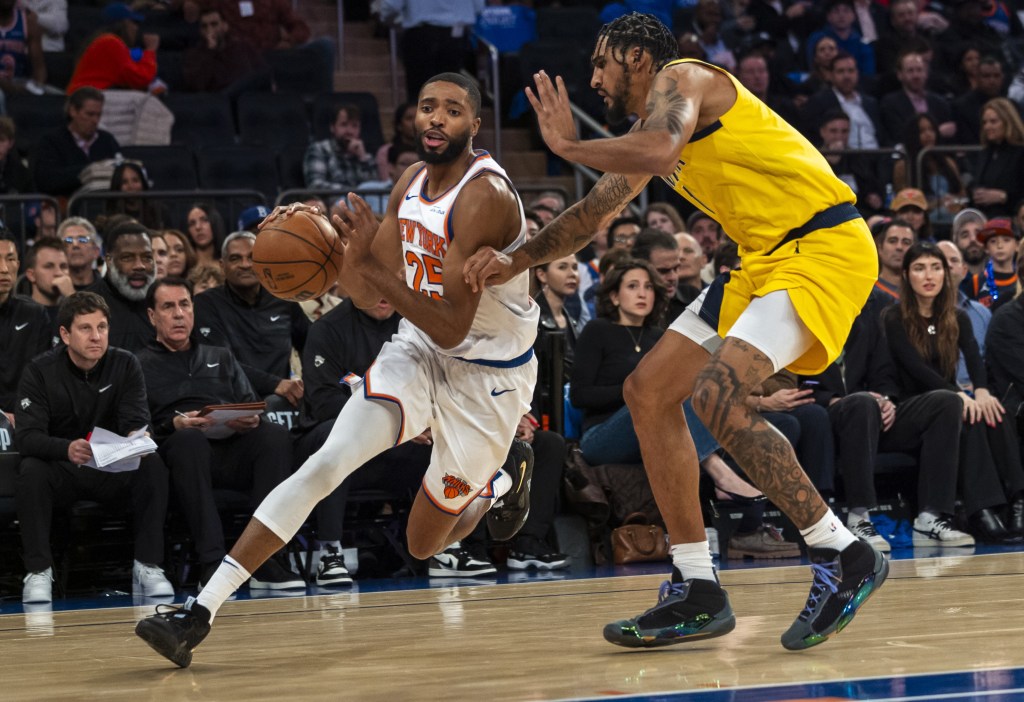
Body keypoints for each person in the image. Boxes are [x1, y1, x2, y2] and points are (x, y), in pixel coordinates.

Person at [463, 12, 888, 651]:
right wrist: (515, 259)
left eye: (602, 63)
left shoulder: (686, 78)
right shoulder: (644, 132)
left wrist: (572, 147)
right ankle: (697, 584)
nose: (594, 77)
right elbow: (589, 215)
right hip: (761, 261)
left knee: (718, 395)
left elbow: (663, 149)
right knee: (648, 391)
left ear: (637, 57)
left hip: (823, 246)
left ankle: (842, 550)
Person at [136, 73, 538, 667]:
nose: (436, 118)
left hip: (488, 374)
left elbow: (454, 323)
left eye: (452, 110)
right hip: (420, 349)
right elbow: (363, 284)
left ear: (474, 125)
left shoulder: (485, 198)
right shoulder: (411, 182)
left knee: (423, 543)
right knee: (326, 461)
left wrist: (373, 275)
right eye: (427, 107)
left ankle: (500, 481)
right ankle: (200, 612)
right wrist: (326, 250)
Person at [138, 277, 300, 590]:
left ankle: (265, 561)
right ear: (152, 316)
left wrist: (246, 419)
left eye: (184, 305)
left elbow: (251, 403)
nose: (178, 314)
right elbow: (138, 430)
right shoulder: (138, 364)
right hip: (180, 459)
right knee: (189, 439)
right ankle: (212, 563)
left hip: (230, 448)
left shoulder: (220, 356)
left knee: (274, 435)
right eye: (168, 307)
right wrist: (174, 424)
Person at [15, 291, 173, 603]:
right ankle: (38, 571)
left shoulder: (125, 364)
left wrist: (134, 439)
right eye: (85, 328)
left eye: (102, 327)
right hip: (65, 468)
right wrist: (66, 448)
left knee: (152, 463)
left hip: (111, 467)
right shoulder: (39, 370)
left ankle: (147, 566)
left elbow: (139, 421)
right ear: (64, 334)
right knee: (30, 469)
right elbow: (27, 437)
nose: (96, 336)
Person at [882, 241, 1023, 543]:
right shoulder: (893, 318)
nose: (929, 275)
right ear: (906, 275)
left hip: (947, 408)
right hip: (906, 410)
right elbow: (915, 369)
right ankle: (978, 513)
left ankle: (1003, 507)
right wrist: (958, 393)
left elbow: (974, 357)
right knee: (959, 405)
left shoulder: (956, 317)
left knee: (990, 410)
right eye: (920, 268)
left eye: (936, 267)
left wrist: (982, 392)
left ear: (946, 274)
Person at [193, 231, 307, 408]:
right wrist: (275, 384)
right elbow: (218, 362)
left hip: (284, 402)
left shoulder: (284, 300)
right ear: (222, 266)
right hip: (231, 405)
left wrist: (310, 383)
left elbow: (312, 344)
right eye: (235, 259)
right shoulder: (206, 303)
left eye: (253, 257)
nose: (245, 264)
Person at [571, 258, 667, 466]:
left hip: (653, 426)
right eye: (633, 286)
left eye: (648, 287)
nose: (642, 294)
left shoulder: (661, 337)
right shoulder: (597, 330)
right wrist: (633, 392)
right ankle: (721, 477)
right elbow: (579, 395)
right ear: (614, 296)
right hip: (602, 433)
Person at [0, 231, 50, 425]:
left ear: (18, 265)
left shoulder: (35, 315)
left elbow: (43, 378)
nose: (4, 268)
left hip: (26, 421)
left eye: (10, 259)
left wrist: (21, 414)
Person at [32, 87, 121, 197]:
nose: (95, 121)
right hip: (68, 207)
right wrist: (88, 171)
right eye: (90, 114)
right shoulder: (50, 142)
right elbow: (46, 180)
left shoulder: (107, 140)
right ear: (73, 111)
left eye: (98, 115)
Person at [86, 220, 157, 351]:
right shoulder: (84, 305)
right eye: (127, 258)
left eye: (147, 257)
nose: (139, 266)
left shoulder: (164, 301)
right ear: (109, 260)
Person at [66, 2, 159, 94]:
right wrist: (150, 50)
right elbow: (141, 79)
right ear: (122, 24)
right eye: (133, 22)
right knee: (145, 102)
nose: (136, 28)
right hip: (87, 98)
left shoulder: (103, 41)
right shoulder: (111, 43)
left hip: (88, 96)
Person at [182, 5, 269, 96]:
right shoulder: (194, 54)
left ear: (225, 26)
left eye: (214, 24)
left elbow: (262, 72)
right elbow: (196, 86)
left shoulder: (242, 47)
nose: (209, 30)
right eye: (204, 26)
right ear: (200, 31)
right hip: (216, 100)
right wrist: (210, 51)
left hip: (246, 98)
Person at [878, 50, 955, 146]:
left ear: (926, 73)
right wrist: (937, 132)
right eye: (910, 71)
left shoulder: (940, 103)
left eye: (919, 70)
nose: (916, 75)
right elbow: (899, 135)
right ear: (900, 75)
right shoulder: (890, 104)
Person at [303, 103, 380, 192]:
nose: (349, 131)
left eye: (354, 126)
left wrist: (362, 158)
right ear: (332, 127)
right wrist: (353, 193)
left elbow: (376, 190)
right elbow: (315, 185)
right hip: (333, 203)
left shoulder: (363, 154)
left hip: (361, 203)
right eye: (344, 124)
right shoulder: (319, 150)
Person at [969, 97, 1024, 219]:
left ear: (1008, 121)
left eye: (993, 121)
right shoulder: (985, 153)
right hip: (983, 219)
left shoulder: (1020, 152)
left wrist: (1003, 197)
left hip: (1011, 219)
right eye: (984, 122)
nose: (987, 127)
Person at [961, 217, 1020, 311]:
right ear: (986, 248)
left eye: (1006, 240)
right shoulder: (976, 282)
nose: (1000, 246)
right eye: (993, 241)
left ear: (1017, 245)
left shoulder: (1021, 280)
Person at [22, 237, 72, 327]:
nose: (59, 273)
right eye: (49, 266)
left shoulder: (72, 314)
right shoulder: (18, 314)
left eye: (63, 266)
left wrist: (72, 296)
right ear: (31, 275)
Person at [103, 161, 167, 231]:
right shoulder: (110, 215)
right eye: (124, 182)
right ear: (118, 186)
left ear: (142, 183)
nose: (131, 186)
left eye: (135, 180)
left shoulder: (159, 211)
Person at [58, 217, 101, 290]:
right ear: (59, 251)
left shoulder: (109, 289)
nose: (75, 245)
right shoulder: (52, 290)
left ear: (96, 251)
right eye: (68, 240)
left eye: (83, 239)